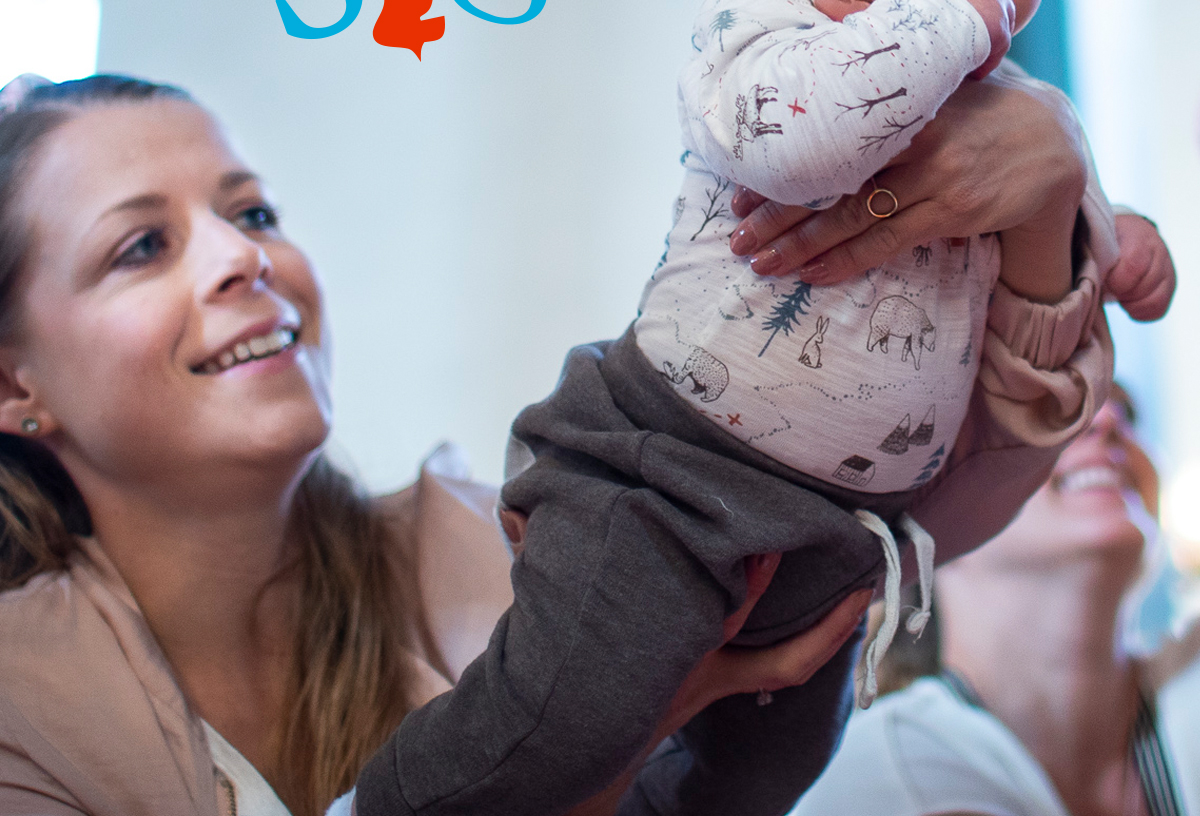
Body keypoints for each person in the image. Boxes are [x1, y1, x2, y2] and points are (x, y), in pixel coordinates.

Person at [355, 0, 1172, 816]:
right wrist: (938, 20)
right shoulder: (765, 27)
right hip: (667, 473)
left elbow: (1056, 252)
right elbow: (796, 144)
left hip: (840, 535)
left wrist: (1113, 234)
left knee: (763, 778)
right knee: (560, 722)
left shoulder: (1020, 107)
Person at [0, 72, 876, 816]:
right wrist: (597, 737)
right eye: (143, 246)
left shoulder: (475, 548)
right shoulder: (22, 702)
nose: (243, 256)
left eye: (254, 212)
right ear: (15, 386)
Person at [790, 385, 1195, 816]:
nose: (1109, 421)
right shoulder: (882, 778)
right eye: (1049, 408)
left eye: (1127, 413)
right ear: (928, 518)